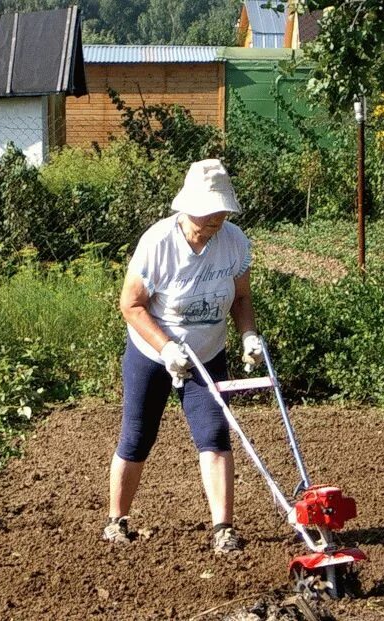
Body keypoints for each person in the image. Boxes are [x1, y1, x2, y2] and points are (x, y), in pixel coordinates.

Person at [103, 159, 263, 554]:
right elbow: (131, 305)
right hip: (152, 354)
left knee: (214, 435)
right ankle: (116, 521)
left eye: (219, 217)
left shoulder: (234, 241)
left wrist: (248, 335)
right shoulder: (157, 243)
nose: (212, 225)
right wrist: (166, 347)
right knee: (138, 435)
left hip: (207, 353)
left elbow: (241, 297)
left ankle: (223, 529)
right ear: (187, 207)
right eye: (206, 217)